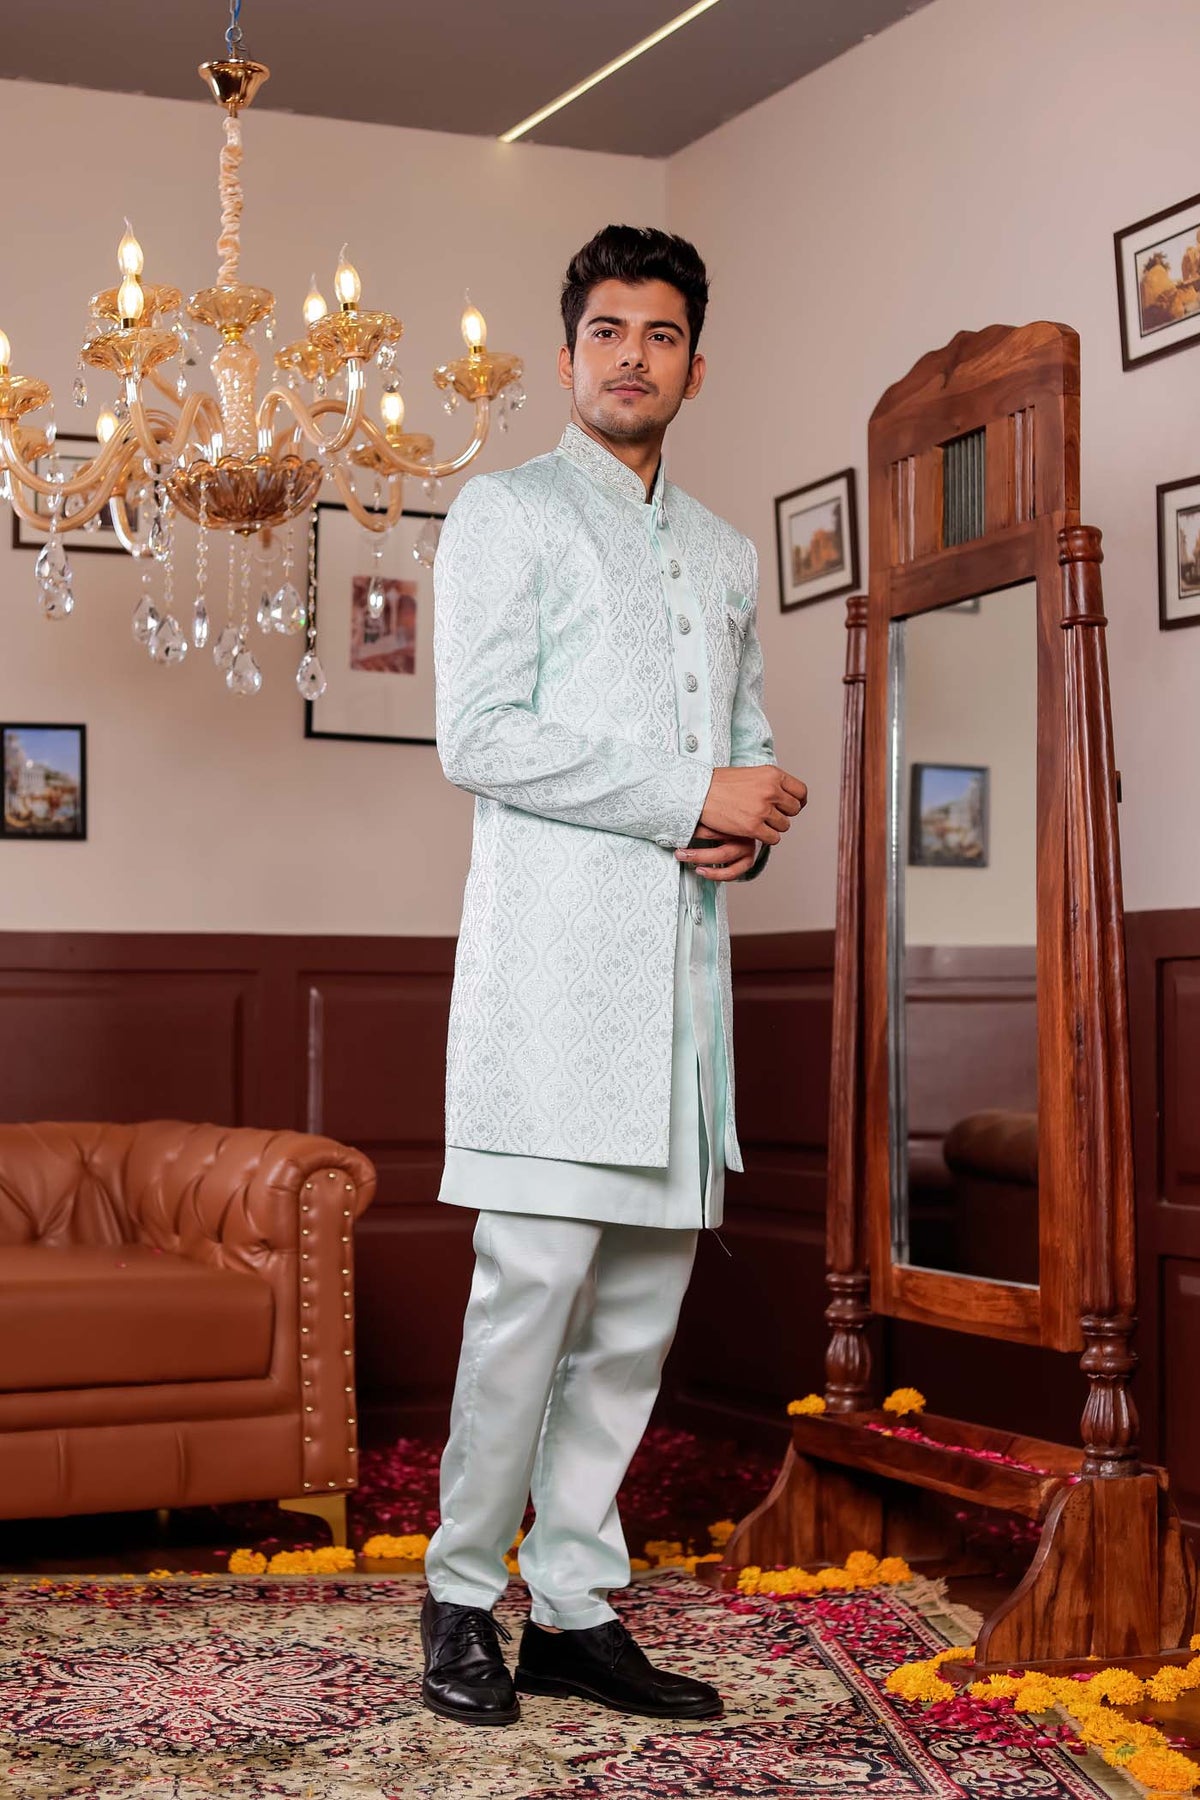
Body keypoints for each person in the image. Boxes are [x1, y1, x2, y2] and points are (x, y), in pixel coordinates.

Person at [423, 223, 808, 1727]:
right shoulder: (507, 512)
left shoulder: (724, 552)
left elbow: (745, 749)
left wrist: (742, 830)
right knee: (528, 1301)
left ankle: (575, 1606)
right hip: (554, 980)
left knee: (638, 1318)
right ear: (568, 354)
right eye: (606, 331)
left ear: (695, 366)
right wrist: (687, 793)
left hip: (684, 1000)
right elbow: (479, 736)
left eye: (660, 334)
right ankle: (462, 1596)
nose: (631, 356)